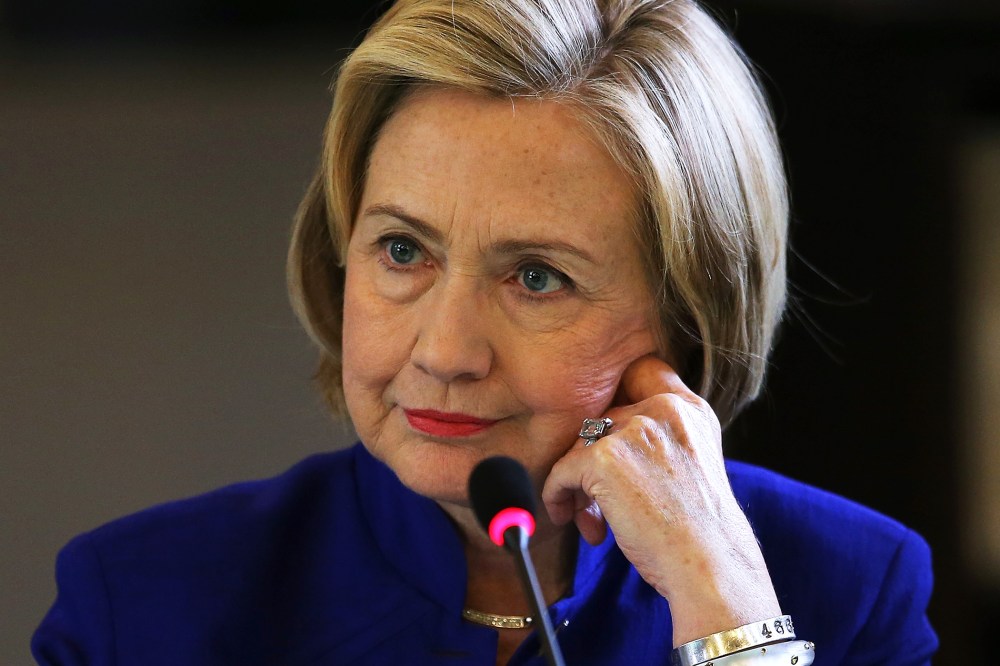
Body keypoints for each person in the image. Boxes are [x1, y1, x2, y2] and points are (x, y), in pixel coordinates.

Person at [32, 1, 937, 664]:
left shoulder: (847, 588)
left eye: (537, 277)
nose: (444, 352)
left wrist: (730, 618)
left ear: (689, 314)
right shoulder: (144, 605)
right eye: (401, 250)